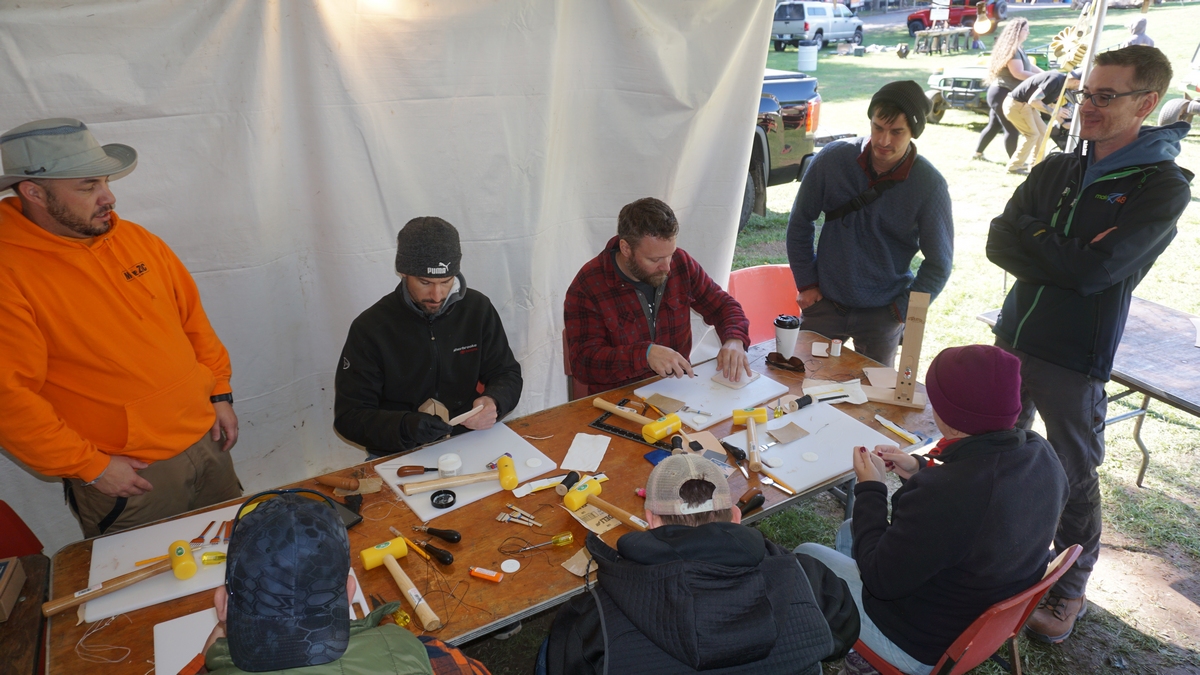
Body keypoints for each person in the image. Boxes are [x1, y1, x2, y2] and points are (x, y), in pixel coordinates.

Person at [986, 45, 1191, 644]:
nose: (1088, 108)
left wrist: (1040, 240)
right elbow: (1000, 240)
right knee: (1001, 452)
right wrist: (1063, 249)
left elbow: (1098, 273)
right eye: (1084, 94)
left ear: (1146, 103)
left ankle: (1069, 591)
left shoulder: (1161, 187)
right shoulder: (1061, 166)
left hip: (1076, 357)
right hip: (1014, 332)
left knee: (1074, 475)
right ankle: (1003, 558)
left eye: (1106, 97)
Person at [0, 118, 241, 538]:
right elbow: (9, 400)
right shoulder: (9, 273)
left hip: (206, 441)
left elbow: (192, 320)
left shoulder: (135, 239)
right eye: (88, 186)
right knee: (152, 596)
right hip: (132, 474)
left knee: (242, 559)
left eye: (106, 181)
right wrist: (91, 468)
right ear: (34, 192)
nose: (108, 197)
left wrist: (219, 390)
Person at [798, 345, 1069, 675]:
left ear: (947, 414)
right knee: (848, 531)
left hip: (919, 642)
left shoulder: (947, 493)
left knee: (805, 556)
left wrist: (871, 488)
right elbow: (980, 498)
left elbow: (880, 580)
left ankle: (861, 657)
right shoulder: (1038, 451)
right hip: (979, 614)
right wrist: (920, 468)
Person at [542, 454, 860, 674]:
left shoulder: (591, 619)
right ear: (736, 516)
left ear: (651, 521)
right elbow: (841, 639)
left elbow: (560, 667)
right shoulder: (810, 578)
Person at [199, 490, 490, 674]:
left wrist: (207, 660)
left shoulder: (214, 664)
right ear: (351, 591)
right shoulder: (437, 658)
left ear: (222, 604)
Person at [786, 81, 953, 367]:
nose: (884, 140)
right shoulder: (833, 159)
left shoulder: (929, 185)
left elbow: (939, 262)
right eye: (878, 127)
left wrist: (902, 311)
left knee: (870, 399)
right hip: (824, 301)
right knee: (802, 380)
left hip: (882, 314)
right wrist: (807, 282)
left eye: (897, 131)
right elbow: (800, 222)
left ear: (914, 132)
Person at [334, 216, 522, 457]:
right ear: (403, 272)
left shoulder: (478, 309)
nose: (436, 295)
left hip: (469, 439)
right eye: (425, 282)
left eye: (446, 281)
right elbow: (349, 417)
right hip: (399, 452)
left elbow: (507, 373)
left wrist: (494, 401)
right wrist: (405, 427)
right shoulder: (370, 328)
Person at [564, 197, 751, 395]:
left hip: (677, 389)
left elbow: (723, 305)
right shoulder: (588, 286)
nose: (667, 267)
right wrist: (644, 355)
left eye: (670, 254)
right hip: (619, 400)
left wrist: (734, 339)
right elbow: (583, 363)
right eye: (655, 259)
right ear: (626, 248)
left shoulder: (681, 263)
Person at [974, 18, 1041, 163]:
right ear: (1017, 31)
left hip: (1000, 93)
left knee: (994, 126)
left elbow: (1029, 67)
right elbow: (1019, 73)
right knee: (1012, 130)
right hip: (1002, 94)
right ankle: (1015, 164)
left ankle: (977, 154)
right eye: (1026, 29)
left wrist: (1046, 75)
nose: (1028, 32)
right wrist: (1040, 79)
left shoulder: (1018, 48)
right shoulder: (1012, 50)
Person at [1003, 71, 1080, 174]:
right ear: (1076, 82)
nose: (1079, 88)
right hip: (1017, 104)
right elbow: (1034, 100)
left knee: (1043, 132)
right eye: (1081, 85)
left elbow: (1051, 106)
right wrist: (1056, 112)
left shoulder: (1061, 85)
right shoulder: (1055, 80)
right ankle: (1014, 167)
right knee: (1032, 134)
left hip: (1027, 106)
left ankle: (1036, 166)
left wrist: (1063, 123)